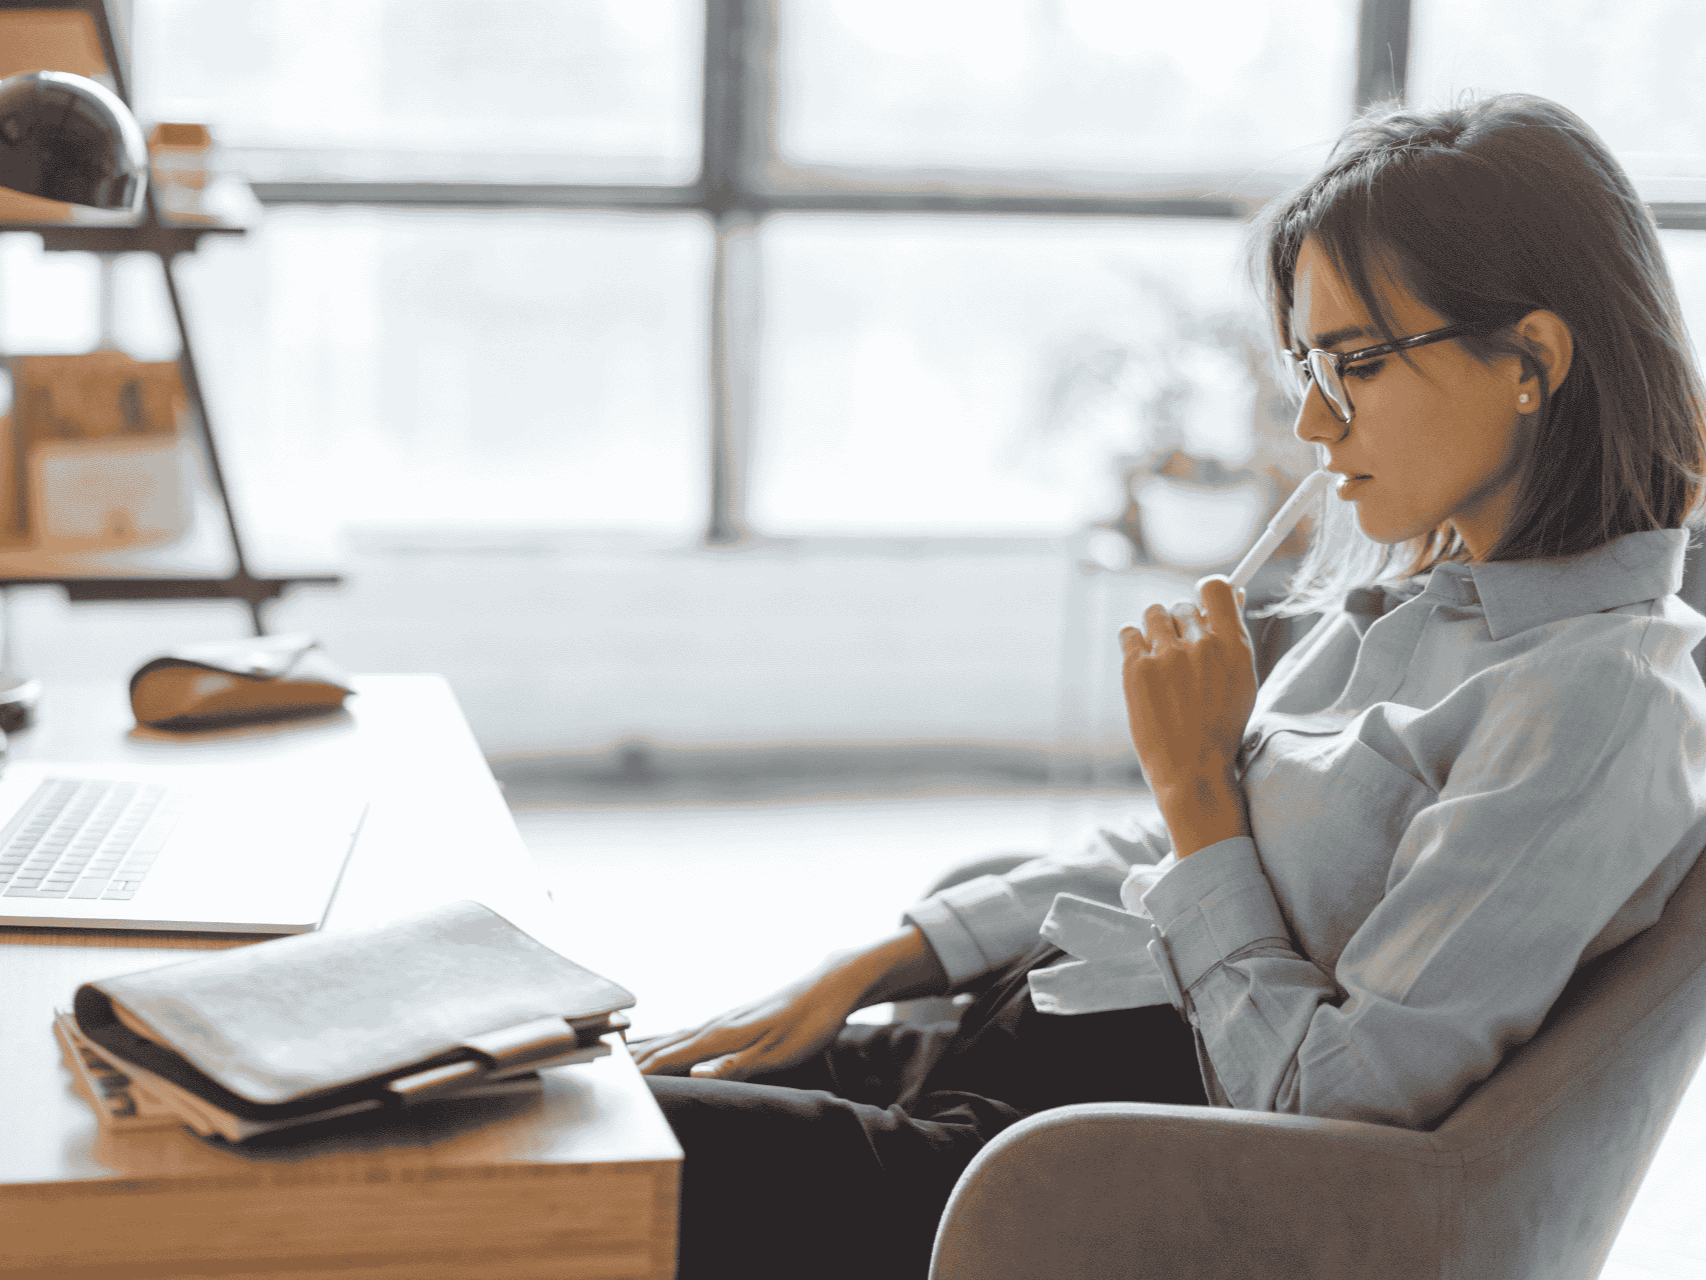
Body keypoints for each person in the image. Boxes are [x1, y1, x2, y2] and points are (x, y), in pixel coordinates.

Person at [632, 92, 1706, 1280]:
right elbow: (1163, 853)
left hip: (1062, 1175)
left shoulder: (1595, 702)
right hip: (995, 1072)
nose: (1309, 421)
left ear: (1531, 360)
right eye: (1305, 364)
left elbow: (1323, 1101)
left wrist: (1199, 783)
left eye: (1353, 364)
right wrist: (871, 968)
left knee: (580, 1159)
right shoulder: (1420, 597)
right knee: (540, 1090)